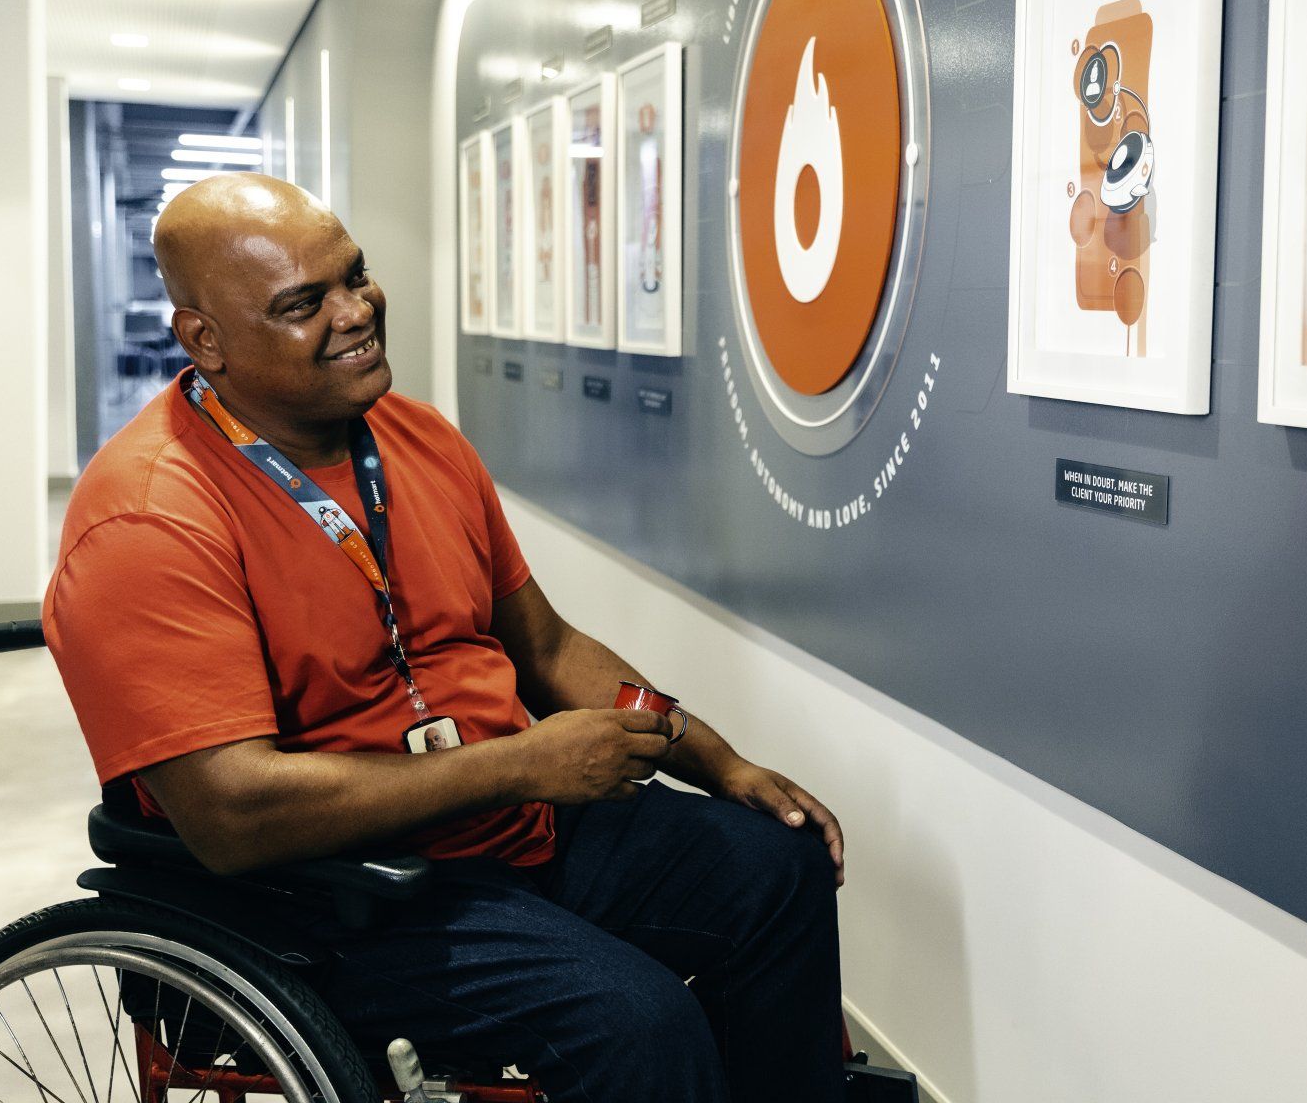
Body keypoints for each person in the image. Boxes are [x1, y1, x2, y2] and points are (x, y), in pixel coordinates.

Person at [43, 173, 845, 1103]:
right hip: (323, 898)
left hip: (503, 830)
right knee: (638, 1019)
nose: (356, 312)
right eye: (305, 304)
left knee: (777, 867)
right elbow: (232, 813)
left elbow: (544, 647)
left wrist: (717, 759)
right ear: (204, 341)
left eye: (356, 276)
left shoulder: (416, 438)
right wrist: (517, 766)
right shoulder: (148, 518)